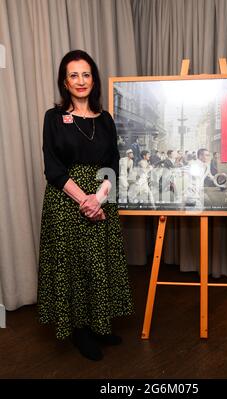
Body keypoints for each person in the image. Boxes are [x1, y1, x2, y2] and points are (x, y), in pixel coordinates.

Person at [38, 50, 134, 361]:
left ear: (94, 79)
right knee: (76, 267)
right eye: (74, 75)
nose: (81, 81)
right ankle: (80, 331)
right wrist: (85, 201)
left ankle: (101, 324)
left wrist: (100, 198)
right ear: (64, 82)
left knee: (100, 263)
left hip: (102, 198)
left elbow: (114, 164)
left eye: (86, 74)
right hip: (67, 203)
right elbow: (53, 169)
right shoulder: (53, 118)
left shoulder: (105, 119)